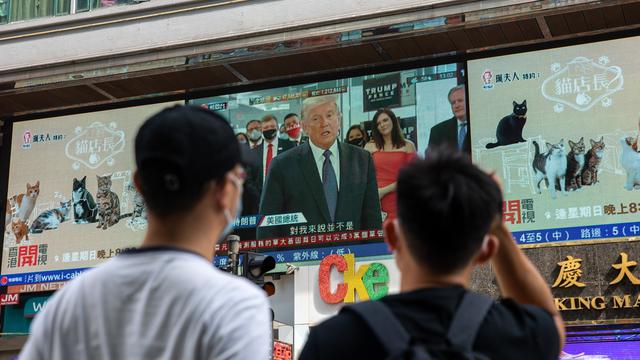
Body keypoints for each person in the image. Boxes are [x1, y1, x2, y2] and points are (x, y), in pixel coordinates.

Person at [20, 106, 272, 360]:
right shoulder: (235, 306)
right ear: (226, 191)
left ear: (139, 185)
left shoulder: (70, 303)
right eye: (239, 177)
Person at [300, 149, 565, 360]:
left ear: (392, 236)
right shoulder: (514, 334)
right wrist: (495, 223)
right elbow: (549, 319)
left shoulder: (334, 340)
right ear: (486, 251)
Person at [257, 95, 382, 239]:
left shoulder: (362, 159)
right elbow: (268, 225)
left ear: (339, 120)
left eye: (329, 115)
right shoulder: (282, 165)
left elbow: (372, 218)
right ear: (304, 127)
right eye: (316, 118)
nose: (325, 123)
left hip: (353, 256)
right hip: (302, 258)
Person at [364, 108, 416, 221]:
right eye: (378, 123)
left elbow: (412, 177)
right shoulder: (369, 147)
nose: (382, 125)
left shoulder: (408, 145)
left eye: (385, 120)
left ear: (393, 120)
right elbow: (363, 176)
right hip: (376, 200)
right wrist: (374, 193)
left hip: (402, 199)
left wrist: (384, 191)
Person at [427, 84, 470, 154]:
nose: (456, 105)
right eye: (453, 103)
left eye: (460, 100)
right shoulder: (437, 131)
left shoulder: (480, 124)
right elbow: (431, 161)